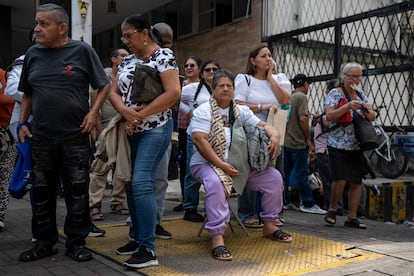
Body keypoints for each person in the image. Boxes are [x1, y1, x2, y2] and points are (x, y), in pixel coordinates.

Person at [17, 3, 110, 262]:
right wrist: (22, 123)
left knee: (77, 191)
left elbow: (103, 85)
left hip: (75, 136)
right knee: (41, 191)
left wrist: (93, 114)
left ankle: (76, 242)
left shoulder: (82, 51)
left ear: (62, 28)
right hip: (41, 136)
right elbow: (28, 93)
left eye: (43, 24)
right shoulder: (33, 54)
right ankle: (45, 242)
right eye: (36, 23)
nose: (36, 28)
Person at [189, 69, 292, 261]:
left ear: (234, 90)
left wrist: (275, 134)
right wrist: (221, 165)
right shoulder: (203, 110)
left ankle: (269, 225)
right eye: (221, 86)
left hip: (238, 165)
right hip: (206, 164)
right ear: (213, 89)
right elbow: (199, 140)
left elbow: (263, 125)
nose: (226, 89)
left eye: (229, 86)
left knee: (274, 178)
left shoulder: (240, 110)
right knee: (215, 183)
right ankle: (217, 237)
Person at [109, 15, 180, 268]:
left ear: (144, 33)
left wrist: (137, 115)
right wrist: (126, 113)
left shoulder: (163, 56)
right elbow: (113, 91)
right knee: (130, 185)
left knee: (141, 183)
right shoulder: (128, 59)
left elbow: (173, 93)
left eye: (128, 35)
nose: (125, 41)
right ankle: (138, 239)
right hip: (132, 128)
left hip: (156, 128)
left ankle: (148, 250)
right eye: (123, 36)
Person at [234, 44, 291, 227]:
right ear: (253, 61)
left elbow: (284, 100)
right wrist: (261, 107)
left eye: (270, 55)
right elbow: (237, 103)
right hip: (251, 130)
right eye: (263, 56)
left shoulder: (279, 79)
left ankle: (271, 213)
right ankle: (247, 213)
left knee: (273, 169)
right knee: (251, 168)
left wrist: (270, 78)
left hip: (274, 129)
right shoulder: (245, 79)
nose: (268, 59)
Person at [323, 62, 375, 229]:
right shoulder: (334, 93)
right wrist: (347, 106)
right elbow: (329, 116)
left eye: (358, 76)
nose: (355, 79)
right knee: (340, 179)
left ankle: (352, 217)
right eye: (352, 76)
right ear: (343, 77)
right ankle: (332, 209)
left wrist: (366, 108)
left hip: (356, 144)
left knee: (356, 181)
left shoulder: (361, 94)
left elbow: (372, 117)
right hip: (337, 143)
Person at [89, 48, 130, 222]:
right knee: (101, 167)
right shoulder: (103, 78)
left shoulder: (127, 78)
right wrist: (100, 131)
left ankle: (117, 203)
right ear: (113, 59)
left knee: (122, 168)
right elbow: (95, 107)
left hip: (123, 129)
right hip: (106, 130)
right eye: (122, 56)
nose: (125, 58)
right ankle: (94, 205)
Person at [180, 59, 221, 222]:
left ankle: (213, 206)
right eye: (208, 70)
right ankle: (190, 208)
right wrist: (187, 110)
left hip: (217, 136)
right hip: (196, 135)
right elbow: (174, 97)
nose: (211, 72)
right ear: (202, 74)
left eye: (215, 69)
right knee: (193, 169)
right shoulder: (193, 88)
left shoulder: (223, 88)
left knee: (216, 170)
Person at [283, 74, 327, 215]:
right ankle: (308, 203)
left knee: (285, 173)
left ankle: (285, 201)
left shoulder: (290, 96)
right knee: (302, 173)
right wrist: (308, 139)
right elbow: (302, 119)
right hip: (298, 143)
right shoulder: (302, 97)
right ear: (306, 85)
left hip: (287, 141)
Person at [173, 55, 202, 212]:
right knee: (183, 164)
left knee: (194, 164)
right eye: (187, 66)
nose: (189, 68)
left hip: (198, 130)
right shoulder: (181, 85)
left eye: (193, 65)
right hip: (183, 128)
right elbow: (173, 101)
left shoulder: (203, 87)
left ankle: (192, 201)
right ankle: (186, 199)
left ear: (199, 69)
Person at [313, 78, 344, 213]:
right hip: (325, 152)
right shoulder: (335, 111)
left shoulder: (333, 113)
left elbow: (328, 123)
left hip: (325, 152)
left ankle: (333, 207)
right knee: (331, 180)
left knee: (329, 181)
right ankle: (334, 206)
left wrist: (320, 118)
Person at [0, 68, 16, 232]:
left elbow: (10, 98)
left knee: (4, 176)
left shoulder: (5, 75)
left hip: (6, 134)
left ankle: (0, 214)